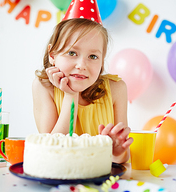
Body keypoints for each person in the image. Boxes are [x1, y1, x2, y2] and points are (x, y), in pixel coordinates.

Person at [32, 18, 133, 164]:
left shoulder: (117, 89)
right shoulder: (43, 87)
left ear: (102, 62)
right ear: (52, 55)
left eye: (93, 56)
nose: (81, 65)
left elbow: (123, 157)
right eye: (72, 53)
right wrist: (71, 94)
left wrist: (116, 152)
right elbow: (51, 152)